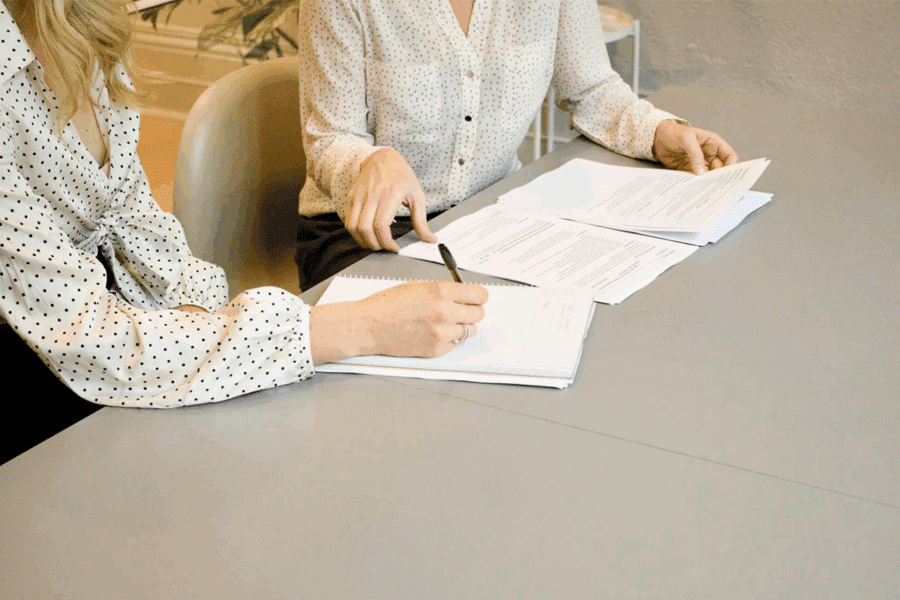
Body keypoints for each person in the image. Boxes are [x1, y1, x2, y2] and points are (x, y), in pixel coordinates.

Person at [0, 0, 487, 464]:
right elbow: (92, 338)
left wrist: (206, 324)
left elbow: (141, 231)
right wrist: (358, 327)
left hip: (117, 335)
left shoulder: (82, 28)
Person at [295, 0, 739, 290]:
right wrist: (371, 161)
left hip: (491, 219)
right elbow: (330, 139)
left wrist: (659, 132)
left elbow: (591, 88)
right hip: (364, 234)